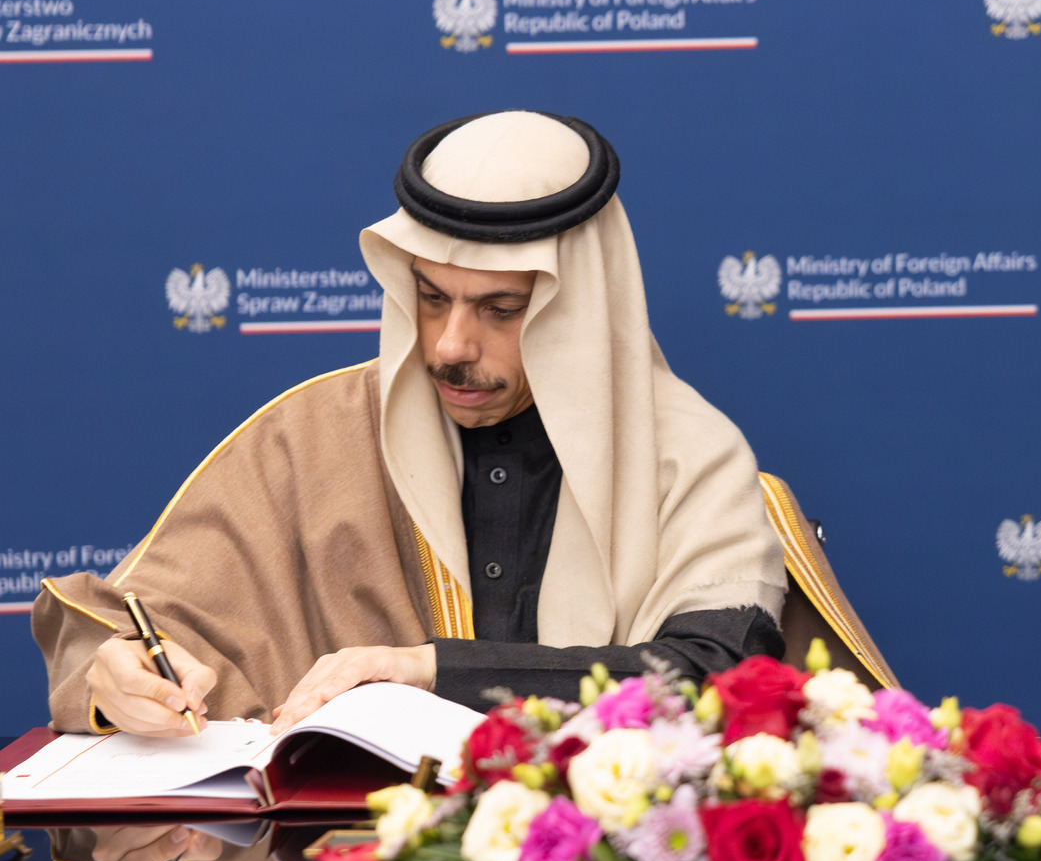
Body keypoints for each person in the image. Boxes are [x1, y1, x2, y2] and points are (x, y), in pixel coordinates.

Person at [36, 110, 789, 737]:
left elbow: (718, 678)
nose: (451, 346)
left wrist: (427, 670)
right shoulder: (314, 437)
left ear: (582, 306)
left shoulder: (689, 454)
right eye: (431, 298)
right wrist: (120, 677)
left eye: (501, 309)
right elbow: (117, 624)